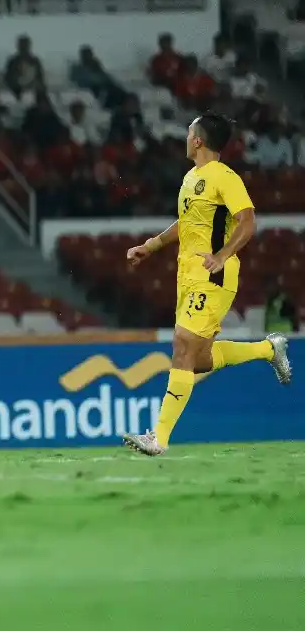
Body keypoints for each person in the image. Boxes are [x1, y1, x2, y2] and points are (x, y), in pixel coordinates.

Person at [123, 115, 292, 457]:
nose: (186, 137)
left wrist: (223, 254)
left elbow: (248, 221)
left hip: (213, 274)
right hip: (187, 275)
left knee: (183, 346)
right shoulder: (191, 178)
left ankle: (159, 438)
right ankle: (268, 349)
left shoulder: (224, 177)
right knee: (197, 360)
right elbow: (186, 225)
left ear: (198, 141)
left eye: (189, 132)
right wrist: (152, 245)